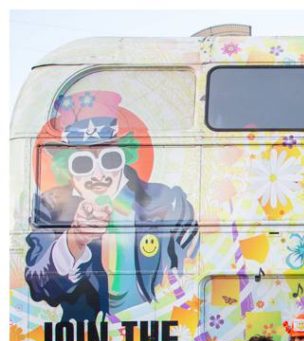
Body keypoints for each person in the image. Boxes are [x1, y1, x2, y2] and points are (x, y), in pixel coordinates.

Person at [25, 90, 198, 322]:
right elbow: (38, 285)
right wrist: (74, 239)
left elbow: (194, 268)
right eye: (83, 163)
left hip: (155, 331)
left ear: (125, 157)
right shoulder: (49, 208)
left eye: (110, 159)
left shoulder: (169, 202)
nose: (99, 174)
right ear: (66, 167)